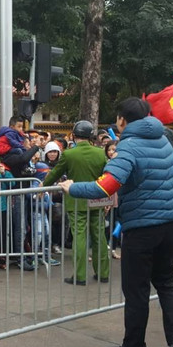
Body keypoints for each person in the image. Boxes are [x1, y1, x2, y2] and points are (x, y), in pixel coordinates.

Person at [59, 97, 173, 347]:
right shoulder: (164, 140)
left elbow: (105, 186)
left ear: (122, 120)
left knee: (137, 290)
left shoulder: (128, 146)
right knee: (166, 284)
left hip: (142, 228)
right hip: (170, 224)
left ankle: (135, 346)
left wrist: (72, 188)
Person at [43, 120, 108, 285]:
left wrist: (43, 186)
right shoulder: (100, 153)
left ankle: (79, 276)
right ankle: (103, 273)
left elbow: (55, 173)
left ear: (74, 135)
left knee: (79, 236)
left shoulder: (69, 154)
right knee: (99, 235)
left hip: (76, 200)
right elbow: (107, 176)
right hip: (97, 198)